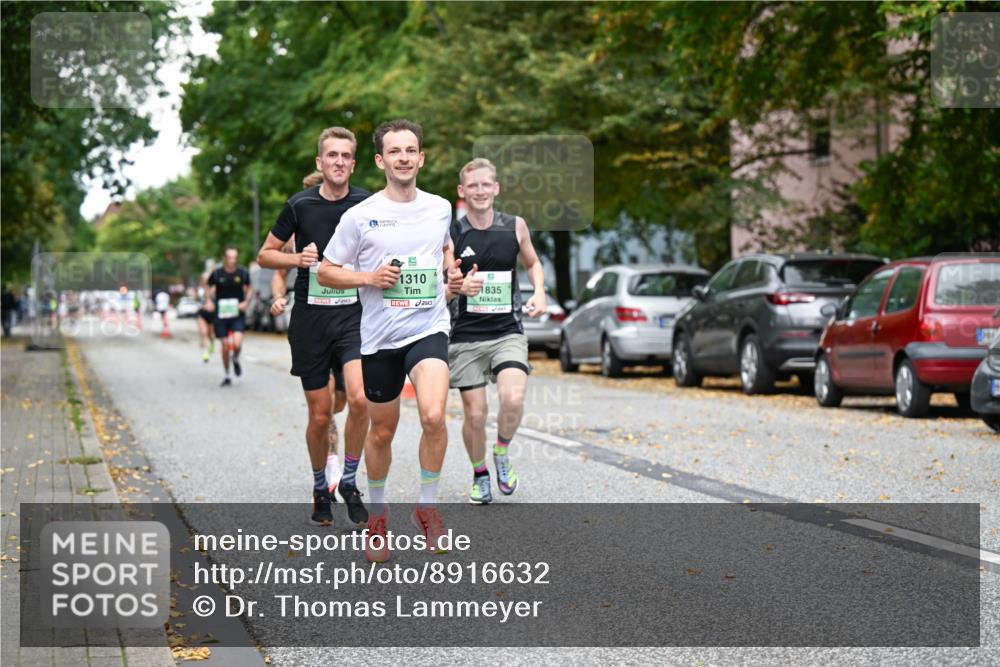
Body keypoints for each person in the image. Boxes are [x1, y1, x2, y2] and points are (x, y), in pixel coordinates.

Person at [319, 118, 464, 562]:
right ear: (381, 160)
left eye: (411, 150)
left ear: (422, 158)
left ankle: (428, 508)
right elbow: (326, 270)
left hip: (428, 327)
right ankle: (378, 517)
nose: (404, 158)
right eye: (394, 151)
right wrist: (369, 277)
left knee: (434, 415)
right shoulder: (359, 216)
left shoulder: (441, 207)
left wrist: (450, 276)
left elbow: (442, 252)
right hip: (380, 337)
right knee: (381, 432)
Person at [257, 128, 371, 528]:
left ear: (353, 164)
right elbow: (265, 254)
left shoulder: (367, 203)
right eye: (331, 156)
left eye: (346, 156)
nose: (339, 162)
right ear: (320, 163)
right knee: (321, 416)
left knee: (360, 400)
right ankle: (321, 485)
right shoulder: (300, 204)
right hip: (310, 318)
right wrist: (297, 261)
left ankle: (351, 482)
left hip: (354, 317)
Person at [448, 158, 547, 504]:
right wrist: (459, 286)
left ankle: (501, 451)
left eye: (485, 184)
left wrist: (539, 291)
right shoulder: (453, 233)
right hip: (466, 336)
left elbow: (532, 262)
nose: (479, 191)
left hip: (508, 331)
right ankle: (479, 474)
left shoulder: (515, 226)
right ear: (463, 191)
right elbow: (443, 281)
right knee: (475, 414)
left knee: (513, 397)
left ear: (496, 188)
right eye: (472, 185)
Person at [206, 246, 251, 387]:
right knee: (225, 346)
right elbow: (208, 287)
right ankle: (227, 375)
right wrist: (208, 301)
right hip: (221, 314)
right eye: (230, 257)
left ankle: (236, 359)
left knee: (237, 343)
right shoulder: (217, 274)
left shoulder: (242, 273)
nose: (232, 260)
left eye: (235, 257)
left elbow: (249, 289)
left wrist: (246, 302)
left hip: (237, 313)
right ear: (224, 258)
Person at [196, 271, 216, 363]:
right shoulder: (199, 289)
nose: (206, 280)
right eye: (204, 279)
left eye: (207, 278)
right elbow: (197, 300)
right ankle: (205, 353)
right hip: (202, 313)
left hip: (212, 314)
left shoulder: (215, 288)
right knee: (203, 333)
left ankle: (212, 343)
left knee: (210, 334)